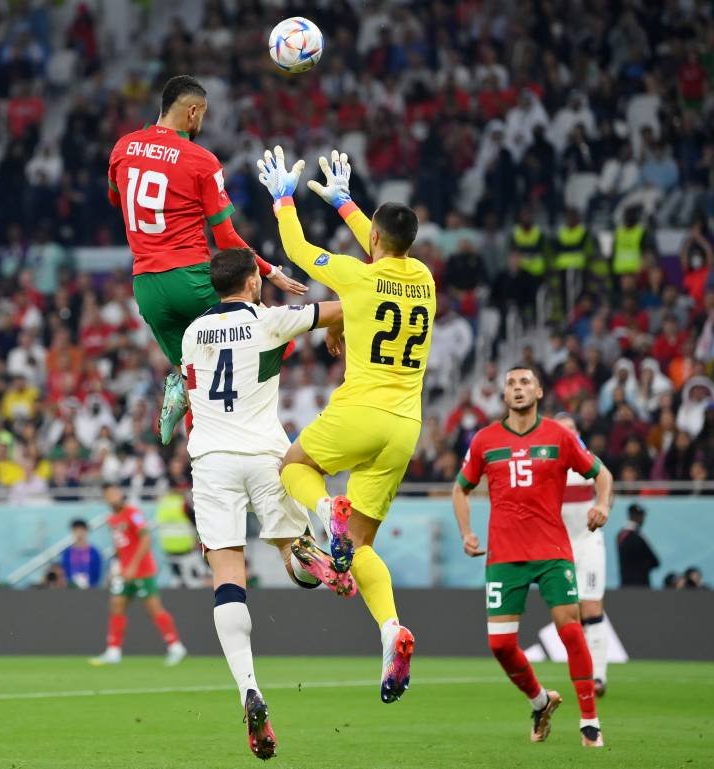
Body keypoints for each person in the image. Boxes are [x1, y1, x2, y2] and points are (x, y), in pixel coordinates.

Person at [258, 147, 436, 704]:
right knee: (358, 547)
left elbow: (296, 250)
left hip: (360, 410)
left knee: (295, 466)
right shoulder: (425, 278)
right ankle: (391, 631)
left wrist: (284, 199)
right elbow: (385, 248)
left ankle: (321, 511)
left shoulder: (357, 278)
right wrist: (348, 205)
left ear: (375, 242)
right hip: (405, 427)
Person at [181, 247, 353, 760]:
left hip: (211, 459)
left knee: (228, 577)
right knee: (292, 550)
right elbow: (340, 305)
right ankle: (317, 548)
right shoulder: (270, 318)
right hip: (265, 455)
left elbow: (185, 387)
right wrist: (329, 329)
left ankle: (249, 690)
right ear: (254, 281)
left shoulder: (192, 333)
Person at [107, 75, 306, 445]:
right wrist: (271, 271)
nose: (201, 124)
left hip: (147, 288)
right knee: (277, 339)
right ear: (193, 111)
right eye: (202, 116)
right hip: (193, 281)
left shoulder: (123, 147)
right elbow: (227, 239)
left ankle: (185, 401)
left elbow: (116, 200)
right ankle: (252, 427)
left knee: (197, 376)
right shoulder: (201, 160)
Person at [452, 367, 613, 748]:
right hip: (505, 555)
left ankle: (590, 722)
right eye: (511, 383)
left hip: (552, 550)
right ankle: (540, 702)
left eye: (525, 382)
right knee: (501, 646)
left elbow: (601, 473)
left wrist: (602, 503)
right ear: (504, 395)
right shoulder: (485, 440)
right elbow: (460, 490)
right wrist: (466, 532)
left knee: (571, 628)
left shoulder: (560, 436)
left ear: (539, 391)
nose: (518, 388)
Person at [89, 482, 187, 667]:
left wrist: (133, 565)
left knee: (153, 609)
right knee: (116, 605)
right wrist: (116, 568)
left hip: (141, 571)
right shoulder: (112, 520)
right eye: (108, 494)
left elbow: (146, 538)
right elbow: (120, 547)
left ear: (120, 494)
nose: (112, 497)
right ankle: (113, 651)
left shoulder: (132, 513)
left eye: (114, 493)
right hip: (125, 572)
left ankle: (175, 646)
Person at [555, 413, 610, 697]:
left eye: (571, 429)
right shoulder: (545, 466)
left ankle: (597, 676)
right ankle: (582, 671)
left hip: (588, 542)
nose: (567, 434)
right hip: (559, 547)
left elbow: (605, 480)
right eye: (561, 430)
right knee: (569, 614)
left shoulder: (586, 461)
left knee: (591, 608)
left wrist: (603, 505)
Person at [617, 503, 660, 587]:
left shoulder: (621, 535)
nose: (643, 519)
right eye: (641, 516)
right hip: (640, 585)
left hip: (626, 583)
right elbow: (654, 561)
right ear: (636, 516)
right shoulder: (636, 536)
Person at [62, 518, 102, 589]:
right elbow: (65, 572)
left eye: (81, 530)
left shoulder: (94, 552)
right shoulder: (67, 553)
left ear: (86, 531)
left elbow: (97, 573)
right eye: (76, 530)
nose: (79, 533)